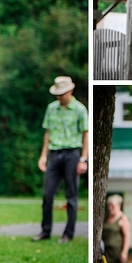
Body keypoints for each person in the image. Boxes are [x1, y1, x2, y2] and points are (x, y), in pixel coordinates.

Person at [33, 76, 88, 243]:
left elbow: (86, 134)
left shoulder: (80, 109)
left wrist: (83, 159)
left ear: (70, 91)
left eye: (61, 93)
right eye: (57, 94)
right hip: (54, 154)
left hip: (72, 154)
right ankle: (45, 231)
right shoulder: (51, 109)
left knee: (71, 195)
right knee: (47, 194)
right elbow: (47, 133)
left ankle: (68, 233)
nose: (59, 97)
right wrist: (43, 155)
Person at [102, 194, 131, 263]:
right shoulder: (105, 217)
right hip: (104, 251)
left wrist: (124, 252)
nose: (110, 208)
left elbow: (127, 236)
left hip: (115, 252)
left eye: (112, 206)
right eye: (109, 205)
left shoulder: (123, 218)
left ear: (118, 206)